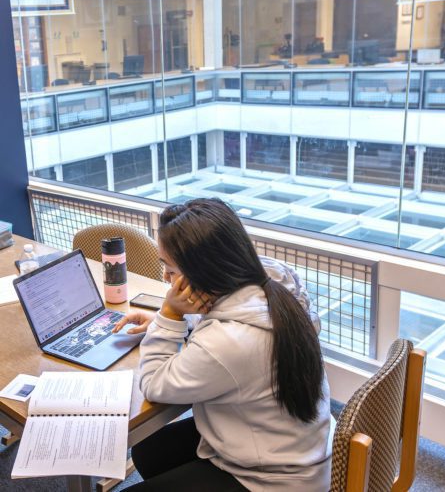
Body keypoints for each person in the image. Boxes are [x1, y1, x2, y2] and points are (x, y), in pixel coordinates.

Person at [117, 198, 332, 491]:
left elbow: (154, 384)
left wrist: (170, 315)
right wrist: (165, 320)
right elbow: (225, 313)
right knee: (148, 451)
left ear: (203, 271)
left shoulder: (227, 344)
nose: (167, 280)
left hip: (273, 481)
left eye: (170, 270)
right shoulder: (271, 284)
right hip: (297, 447)